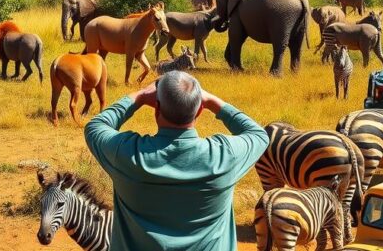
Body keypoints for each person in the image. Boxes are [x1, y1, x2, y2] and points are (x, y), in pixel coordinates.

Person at [84, 71, 269, 251]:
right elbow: (259, 135)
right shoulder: (224, 156)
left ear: (156, 108)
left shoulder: (126, 154)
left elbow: (95, 126)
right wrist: (212, 101)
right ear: (200, 110)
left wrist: (139, 96)